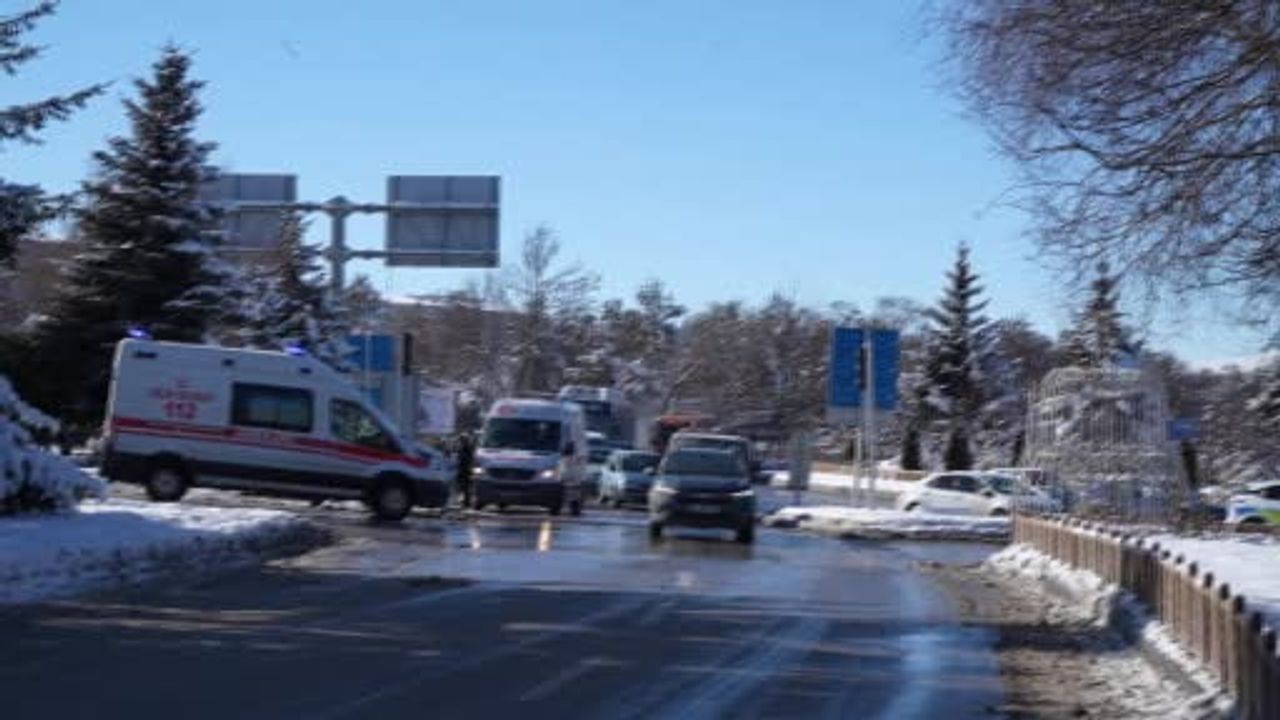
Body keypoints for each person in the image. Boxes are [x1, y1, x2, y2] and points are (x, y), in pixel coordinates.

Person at [454, 432, 476, 508]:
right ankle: (465, 502)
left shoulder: (465, 449)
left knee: (464, 487)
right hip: (465, 470)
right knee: (464, 488)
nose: (460, 441)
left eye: (461, 440)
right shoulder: (466, 448)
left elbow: (465, 460)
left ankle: (465, 502)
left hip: (464, 470)